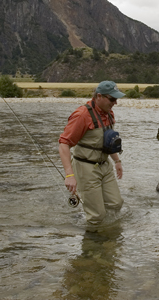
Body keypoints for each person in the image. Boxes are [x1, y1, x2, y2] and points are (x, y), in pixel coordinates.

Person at [58, 80, 125, 225]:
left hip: (105, 165)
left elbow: (108, 140)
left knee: (116, 203)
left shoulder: (109, 113)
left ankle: (109, 235)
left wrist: (117, 161)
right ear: (99, 96)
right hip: (86, 167)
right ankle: (94, 240)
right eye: (112, 99)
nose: (115, 103)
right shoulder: (82, 115)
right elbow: (64, 144)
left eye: (116, 99)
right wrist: (69, 175)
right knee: (97, 215)